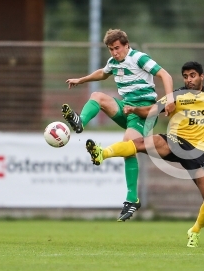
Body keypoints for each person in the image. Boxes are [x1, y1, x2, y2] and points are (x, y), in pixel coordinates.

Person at [85, 61, 204, 247]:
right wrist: (134, 109)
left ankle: (195, 231)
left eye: (192, 75)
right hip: (175, 142)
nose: (189, 80)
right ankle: (102, 153)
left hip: (198, 151)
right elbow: (151, 111)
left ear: (201, 76)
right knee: (144, 142)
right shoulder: (175, 96)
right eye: (185, 76)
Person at [62, 29, 175, 222]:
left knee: (128, 144)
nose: (115, 53)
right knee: (97, 96)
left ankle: (132, 199)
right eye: (111, 49)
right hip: (126, 109)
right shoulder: (113, 62)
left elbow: (165, 75)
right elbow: (103, 73)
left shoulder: (138, 58)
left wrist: (170, 98)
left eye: (117, 48)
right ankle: (80, 122)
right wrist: (81, 80)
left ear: (126, 45)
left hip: (144, 113)